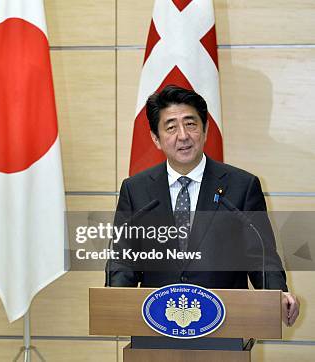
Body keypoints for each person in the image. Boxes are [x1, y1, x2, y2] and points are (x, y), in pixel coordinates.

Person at [106, 85, 299, 326]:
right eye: (171, 127)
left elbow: (260, 255)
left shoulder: (241, 186)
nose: (183, 135)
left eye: (190, 124)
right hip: (156, 327)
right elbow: (124, 258)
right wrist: (113, 299)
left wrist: (276, 294)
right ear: (156, 138)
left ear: (205, 129)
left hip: (225, 325)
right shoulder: (136, 190)